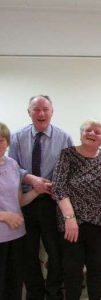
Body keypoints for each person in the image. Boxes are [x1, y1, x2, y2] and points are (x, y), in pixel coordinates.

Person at [8, 95, 73, 300]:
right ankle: (35, 293)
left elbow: (70, 169)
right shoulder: (17, 137)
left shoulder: (64, 138)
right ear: (29, 112)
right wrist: (32, 180)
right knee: (29, 253)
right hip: (25, 201)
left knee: (56, 253)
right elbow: (13, 168)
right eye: (36, 109)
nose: (41, 113)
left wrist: (52, 186)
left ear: (52, 112)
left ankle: (53, 293)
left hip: (52, 204)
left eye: (45, 109)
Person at [52, 120, 101, 300]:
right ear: (80, 134)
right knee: (72, 271)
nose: (92, 134)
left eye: (97, 132)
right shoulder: (67, 154)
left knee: (96, 270)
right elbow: (58, 187)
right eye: (88, 130)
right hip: (71, 224)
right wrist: (70, 218)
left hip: (99, 224)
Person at [0, 122, 41, 300]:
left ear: (7, 142)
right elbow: (9, 211)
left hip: (17, 235)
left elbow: (19, 201)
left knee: (14, 285)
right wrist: (4, 215)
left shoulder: (12, 165)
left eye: (1, 140)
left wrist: (37, 191)